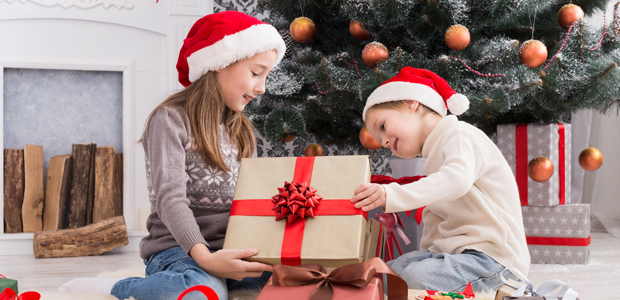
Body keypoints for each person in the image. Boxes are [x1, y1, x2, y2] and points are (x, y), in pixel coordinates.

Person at [58, 11, 286, 300]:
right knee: (200, 293)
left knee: (302, 281)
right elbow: (170, 199)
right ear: (220, 63)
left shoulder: (242, 131)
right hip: (179, 251)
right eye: (256, 73)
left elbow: (250, 203)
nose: (262, 87)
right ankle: (119, 288)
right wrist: (206, 259)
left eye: (266, 76)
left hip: (231, 250)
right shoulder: (169, 120)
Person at [351, 66, 530, 292]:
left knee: (416, 278)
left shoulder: (461, 134)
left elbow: (456, 180)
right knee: (385, 272)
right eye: (380, 140)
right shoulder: (434, 160)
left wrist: (392, 193)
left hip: (494, 259)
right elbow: (434, 219)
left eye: (383, 127)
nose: (385, 142)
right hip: (456, 256)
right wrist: (426, 256)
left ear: (410, 102)